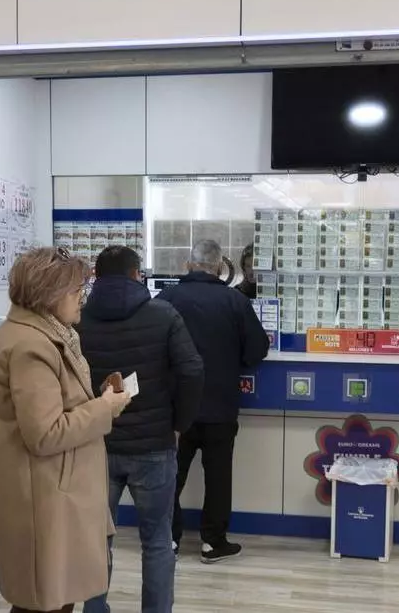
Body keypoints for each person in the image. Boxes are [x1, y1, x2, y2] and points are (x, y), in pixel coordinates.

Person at [0, 247, 134, 613]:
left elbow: (56, 410)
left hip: (54, 493)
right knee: (45, 603)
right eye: (76, 290)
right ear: (49, 294)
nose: (82, 298)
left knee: (53, 601)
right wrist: (104, 408)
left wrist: (99, 401)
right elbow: (46, 433)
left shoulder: (46, 335)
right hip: (44, 500)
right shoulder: (31, 345)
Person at [78, 246, 204, 613]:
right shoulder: (163, 314)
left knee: (96, 539)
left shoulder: (78, 319)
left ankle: (94, 609)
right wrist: (179, 425)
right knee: (157, 541)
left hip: (96, 444)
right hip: (154, 446)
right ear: (137, 275)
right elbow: (192, 370)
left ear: (96, 276)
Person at [158, 240, 271, 563]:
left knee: (170, 475)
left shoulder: (165, 300)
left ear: (188, 264)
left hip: (176, 408)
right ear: (220, 267)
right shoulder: (235, 301)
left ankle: (169, 539)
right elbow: (257, 350)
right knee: (218, 476)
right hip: (220, 405)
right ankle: (213, 542)